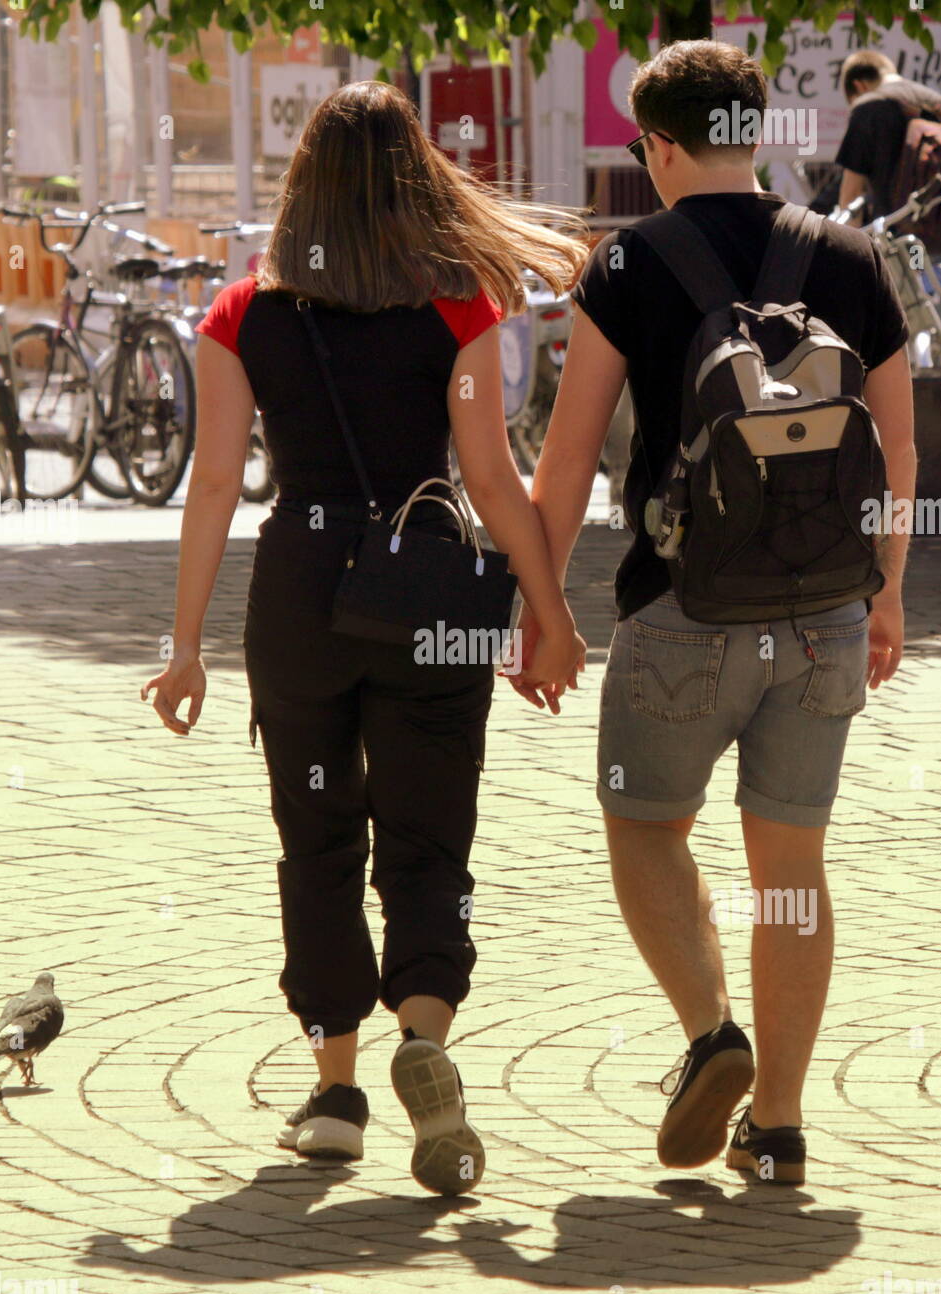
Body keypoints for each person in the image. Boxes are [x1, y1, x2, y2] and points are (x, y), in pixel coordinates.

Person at [140, 81, 588, 1196]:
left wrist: (185, 644)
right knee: (430, 841)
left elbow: (211, 489)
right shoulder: (461, 309)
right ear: (415, 183)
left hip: (298, 592)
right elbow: (489, 475)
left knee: (317, 836)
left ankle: (335, 1092)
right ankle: (424, 1035)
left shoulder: (240, 315)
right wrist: (548, 611)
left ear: (301, 189)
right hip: (427, 591)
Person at [511, 40, 915, 1184]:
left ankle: (709, 1032)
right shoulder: (847, 254)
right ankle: (777, 1124)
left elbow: (565, 465)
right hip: (827, 612)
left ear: (658, 145)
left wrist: (543, 613)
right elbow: (896, 442)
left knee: (645, 829)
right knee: (789, 865)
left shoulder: (626, 264)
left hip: (677, 610)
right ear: (755, 134)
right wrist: (885, 589)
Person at [834, 49, 941, 222]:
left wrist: (849, 246)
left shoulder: (867, 108)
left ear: (859, 86)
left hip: (897, 238)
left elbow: (851, 194)